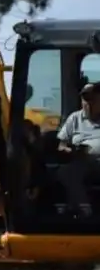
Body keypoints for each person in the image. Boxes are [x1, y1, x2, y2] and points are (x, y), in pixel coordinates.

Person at [56, 82, 100, 217]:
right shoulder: (75, 118)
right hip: (83, 162)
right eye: (85, 100)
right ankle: (85, 211)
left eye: (92, 100)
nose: (88, 104)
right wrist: (72, 151)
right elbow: (61, 146)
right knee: (65, 172)